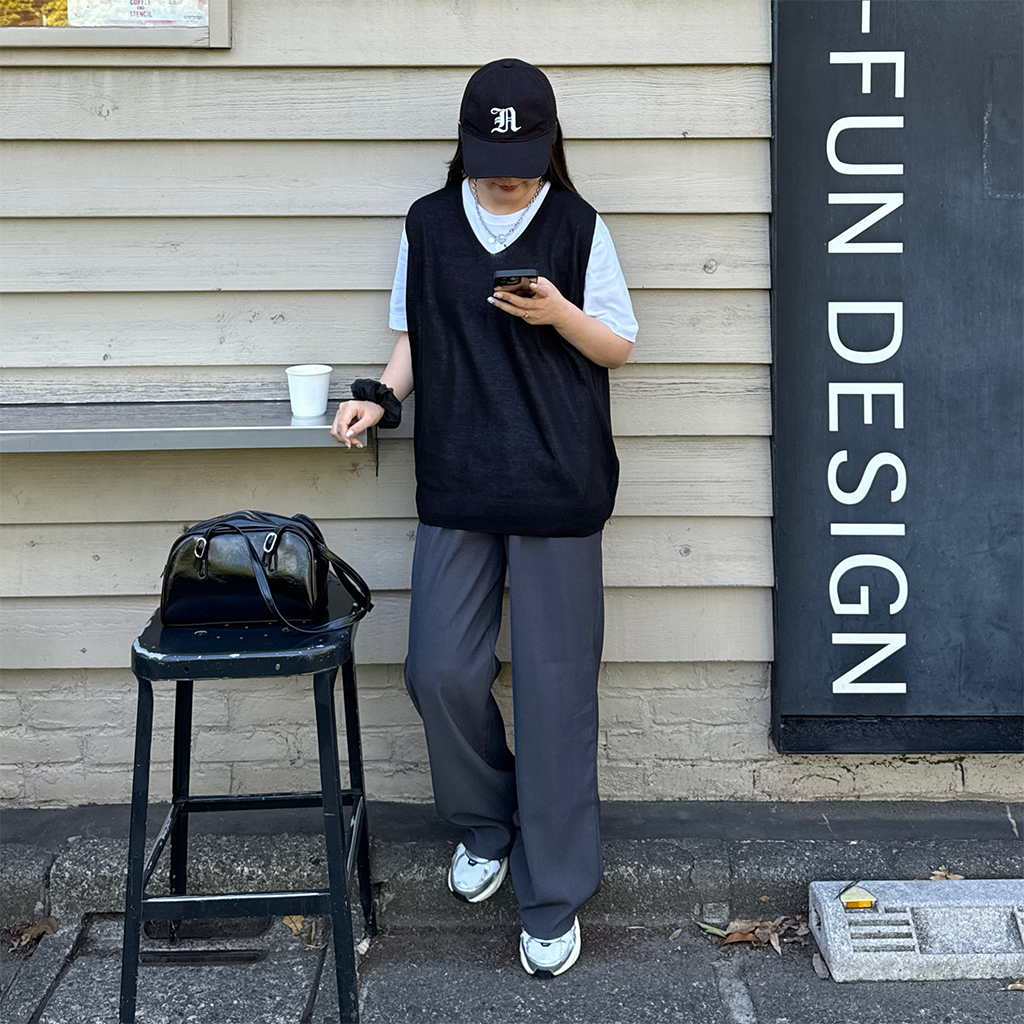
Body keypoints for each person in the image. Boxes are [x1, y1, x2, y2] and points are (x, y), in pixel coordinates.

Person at [330, 57, 638, 978]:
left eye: (523, 161)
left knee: (555, 695)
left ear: (549, 147)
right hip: (459, 474)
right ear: (465, 146)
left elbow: (618, 345)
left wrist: (556, 313)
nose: (506, 177)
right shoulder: (429, 223)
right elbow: (416, 334)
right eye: (491, 160)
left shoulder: (578, 225)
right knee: (439, 671)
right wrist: (381, 397)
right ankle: (487, 822)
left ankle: (554, 893)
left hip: (558, 483)